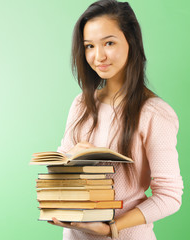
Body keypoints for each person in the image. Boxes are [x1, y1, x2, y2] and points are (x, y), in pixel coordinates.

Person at [47, 0, 183, 239]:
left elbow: (170, 196)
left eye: (109, 43)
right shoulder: (81, 104)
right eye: (89, 46)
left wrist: (112, 227)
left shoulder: (154, 113)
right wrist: (72, 160)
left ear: (131, 42)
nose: (98, 56)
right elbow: (59, 179)